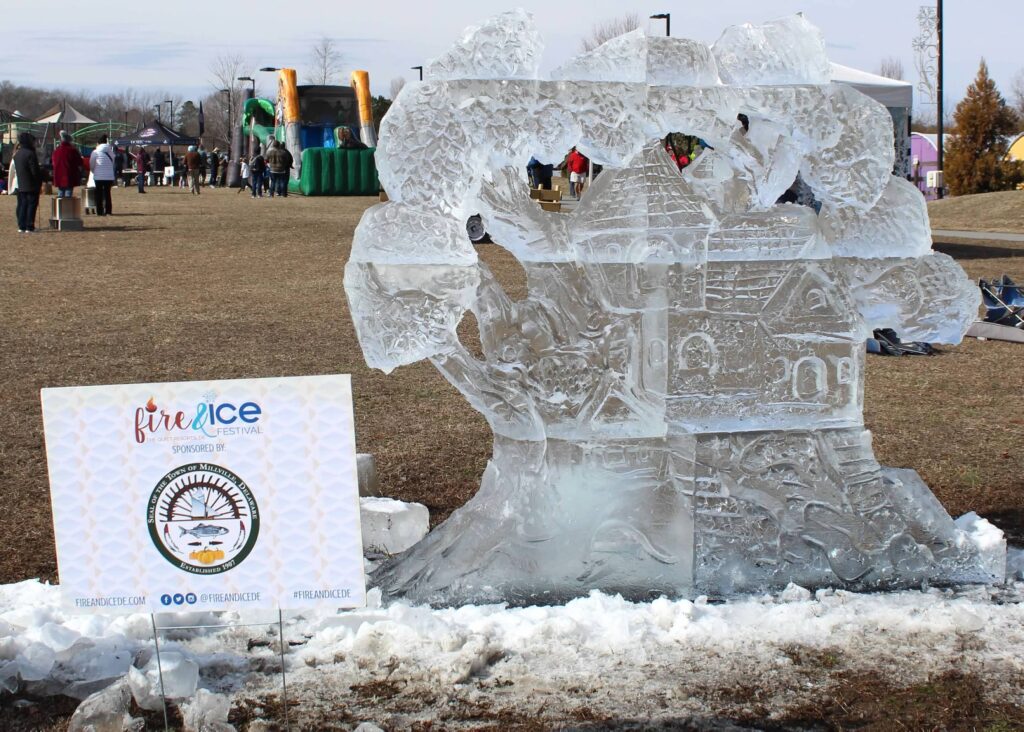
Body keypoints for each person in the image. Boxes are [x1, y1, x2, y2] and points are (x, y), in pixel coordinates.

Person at [13, 133, 42, 233]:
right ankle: (29, 226)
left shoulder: (17, 154)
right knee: (31, 205)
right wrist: (40, 179)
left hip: (21, 183)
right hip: (31, 184)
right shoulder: (30, 154)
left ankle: (22, 226)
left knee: (22, 205)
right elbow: (34, 171)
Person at [88, 135, 117, 216]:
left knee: (99, 194)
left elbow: (92, 164)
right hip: (109, 176)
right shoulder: (110, 152)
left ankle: (99, 211)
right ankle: (108, 211)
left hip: (98, 176)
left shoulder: (95, 152)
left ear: (98, 143)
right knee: (107, 194)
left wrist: (93, 171)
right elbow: (113, 163)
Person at [51, 130, 84, 199]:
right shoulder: (72, 150)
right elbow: (80, 162)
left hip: (59, 175)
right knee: (68, 194)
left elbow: (53, 162)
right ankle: (67, 205)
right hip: (69, 175)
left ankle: (60, 205)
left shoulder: (56, 151)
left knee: (60, 193)